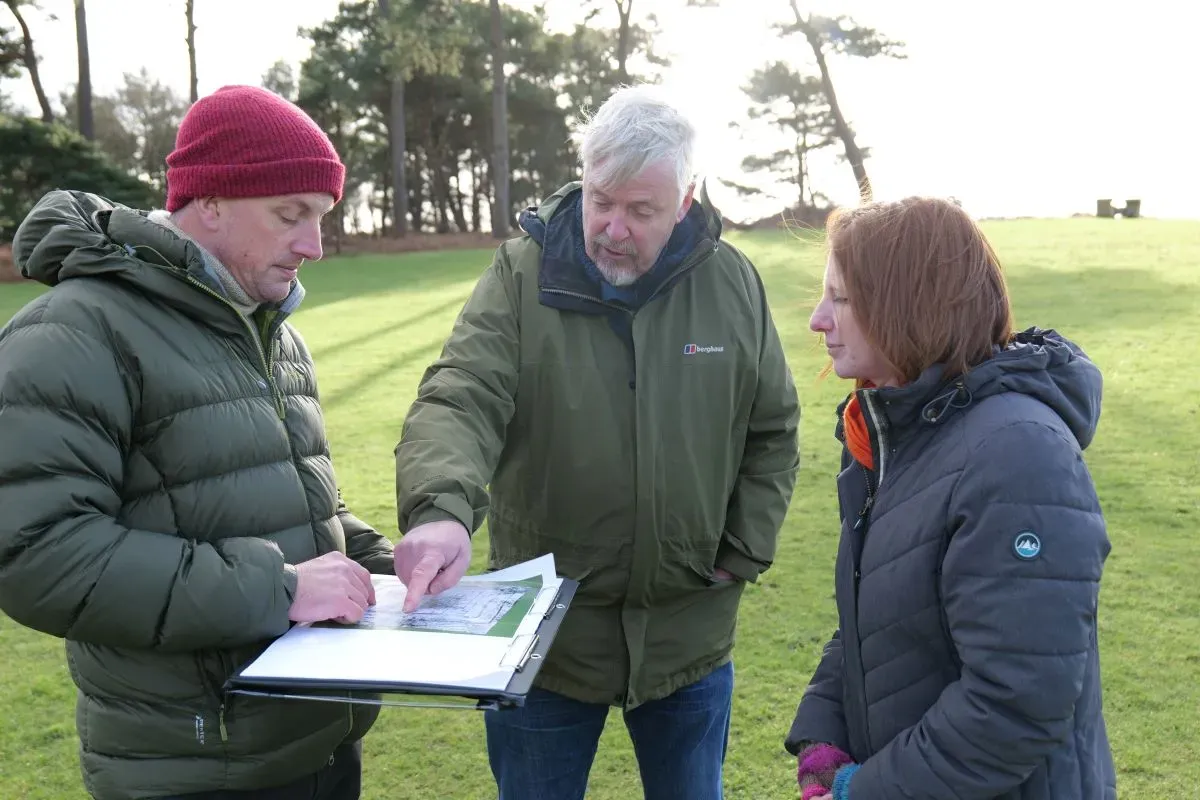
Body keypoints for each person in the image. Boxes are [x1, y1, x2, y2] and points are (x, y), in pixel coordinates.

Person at [392, 85, 801, 799]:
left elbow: (773, 428)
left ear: (685, 200)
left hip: (688, 637)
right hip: (546, 639)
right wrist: (439, 509)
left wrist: (743, 546)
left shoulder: (732, 283)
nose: (613, 228)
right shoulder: (519, 275)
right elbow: (462, 393)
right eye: (600, 200)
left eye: (641, 210)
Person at [0, 85, 395, 800]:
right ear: (210, 202)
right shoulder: (73, 334)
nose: (313, 245)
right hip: (194, 767)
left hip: (320, 743)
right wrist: (279, 589)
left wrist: (388, 568)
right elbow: (37, 554)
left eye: (321, 217)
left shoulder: (272, 332)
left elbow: (294, 501)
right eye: (291, 215)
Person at [785, 197, 1116, 800]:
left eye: (842, 299)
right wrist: (822, 738)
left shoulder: (1017, 455)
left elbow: (1014, 703)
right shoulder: (889, 433)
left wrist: (864, 789)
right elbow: (874, 622)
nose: (817, 320)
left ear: (909, 305)